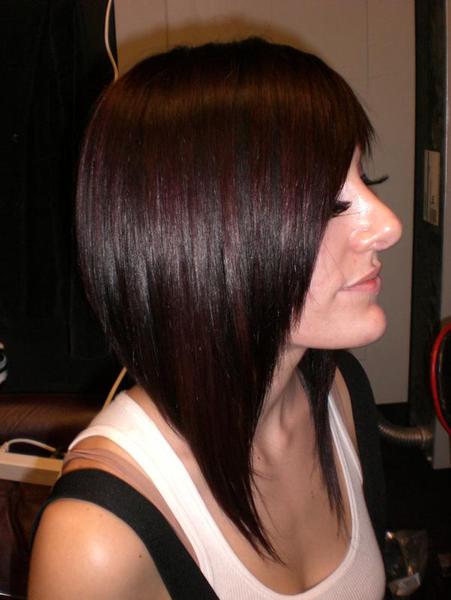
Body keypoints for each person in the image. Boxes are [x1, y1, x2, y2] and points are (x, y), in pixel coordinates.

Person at [28, 38, 402, 599]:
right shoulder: (96, 537)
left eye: (364, 180)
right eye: (328, 199)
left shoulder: (341, 396)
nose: (389, 225)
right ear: (207, 236)